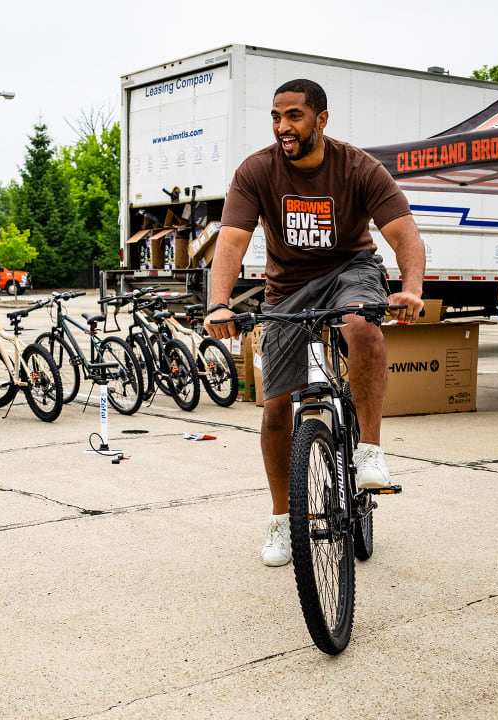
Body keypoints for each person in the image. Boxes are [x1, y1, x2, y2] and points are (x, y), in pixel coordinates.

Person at [204, 79, 425, 568]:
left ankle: (368, 449)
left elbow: (404, 234)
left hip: (353, 271)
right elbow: (233, 242)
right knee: (277, 407)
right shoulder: (257, 171)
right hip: (286, 288)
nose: (283, 127)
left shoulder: (358, 167)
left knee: (361, 325)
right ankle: (283, 520)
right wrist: (219, 303)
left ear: (321, 120)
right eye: (276, 117)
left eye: (294, 116)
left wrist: (412, 287)